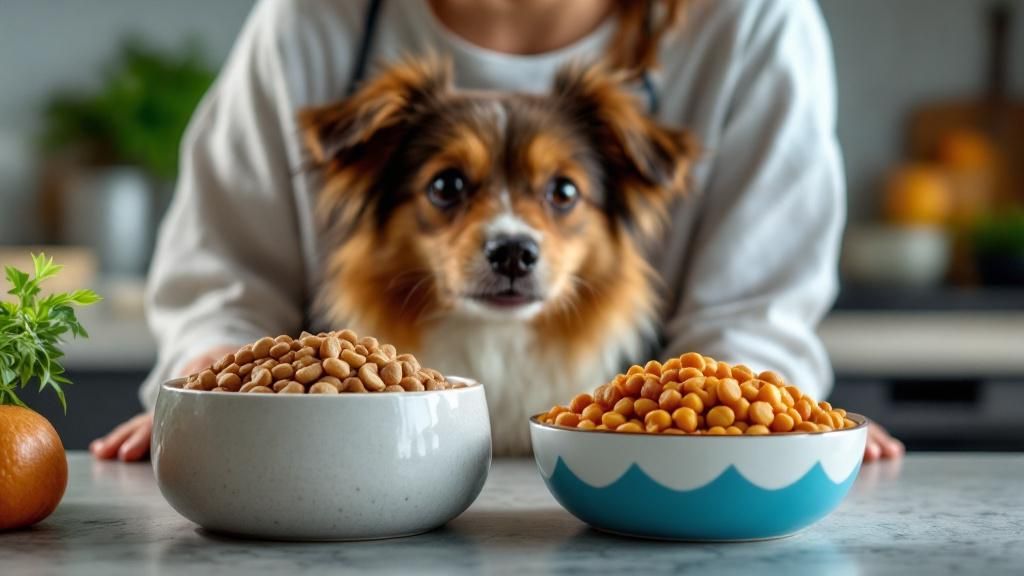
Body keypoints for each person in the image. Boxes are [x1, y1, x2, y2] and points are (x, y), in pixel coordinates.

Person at [91, 0, 904, 462]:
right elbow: (223, 274)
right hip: (350, 470)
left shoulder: (754, 19)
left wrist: (766, 420)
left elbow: (754, 318)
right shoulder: (311, 18)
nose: (512, 234)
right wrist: (210, 385)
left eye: (561, 193)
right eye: (448, 187)